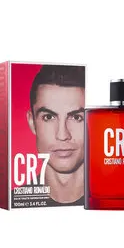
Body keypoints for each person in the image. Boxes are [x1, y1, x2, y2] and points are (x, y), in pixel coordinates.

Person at [27, 65, 85, 205]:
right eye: (48, 117)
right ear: (32, 122)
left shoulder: (113, 201)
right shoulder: (15, 202)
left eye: (76, 117)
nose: (62, 135)